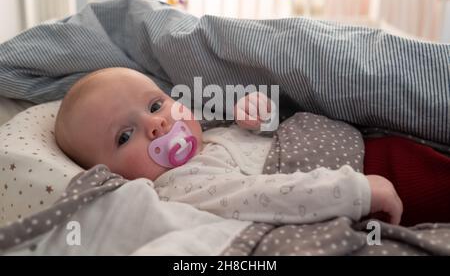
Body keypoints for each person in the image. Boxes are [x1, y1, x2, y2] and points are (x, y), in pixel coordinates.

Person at [54, 68, 449, 226]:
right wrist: (356, 191)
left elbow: (270, 133)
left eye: (155, 104)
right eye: (125, 137)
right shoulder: (180, 184)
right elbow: (265, 195)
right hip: (368, 177)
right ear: (111, 175)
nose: (156, 124)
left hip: (368, 143)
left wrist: (262, 117)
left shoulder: (211, 130)